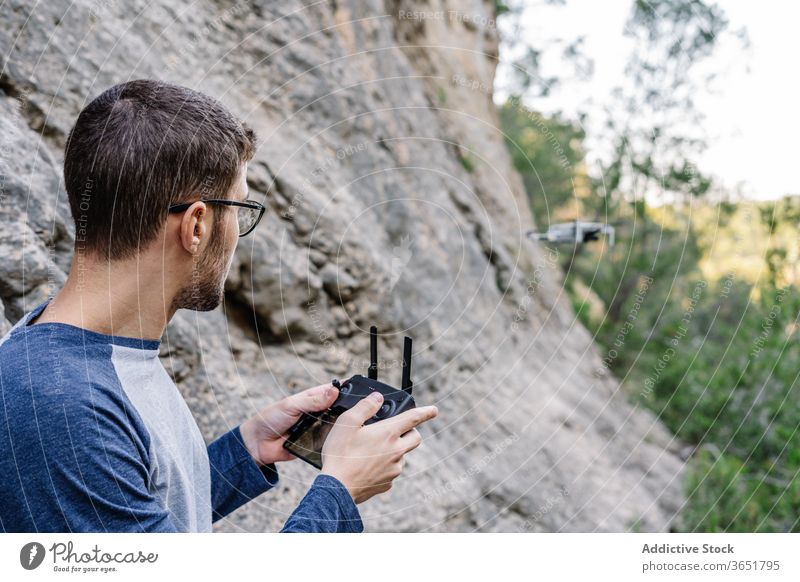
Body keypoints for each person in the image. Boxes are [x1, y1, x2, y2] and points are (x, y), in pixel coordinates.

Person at [0, 79, 438, 533]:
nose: (238, 233)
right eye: (240, 208)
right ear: (196, 225)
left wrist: (246, 448)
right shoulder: (64, 407)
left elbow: (137, 516)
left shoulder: (92, 360)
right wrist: (339, 490)